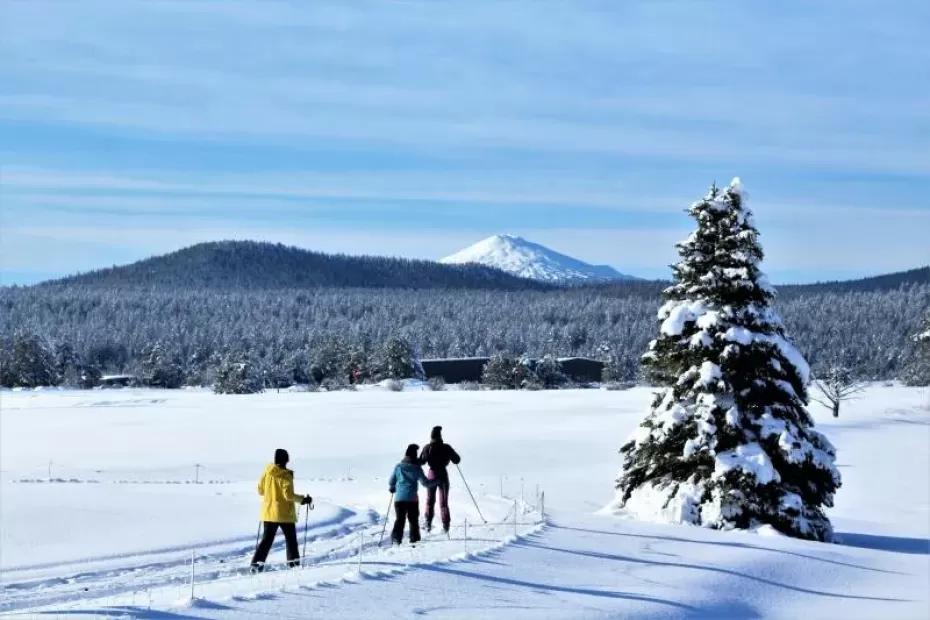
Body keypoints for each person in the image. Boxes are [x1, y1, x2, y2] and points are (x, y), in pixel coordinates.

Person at [250, 448, 313, 572]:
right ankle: (293, 566)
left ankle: (256, 566)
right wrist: (303, 500)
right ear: (285, 460)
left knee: (266, 541)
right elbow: (288, 496)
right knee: (291, 541)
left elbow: (260, 490)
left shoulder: (267, 471)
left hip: (268, 512)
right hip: (284, 514)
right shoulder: (286, 475)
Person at [388, 443, 437, 545]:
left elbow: (391, 481)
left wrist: (392, 487)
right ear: (415, 456)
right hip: (412, 499)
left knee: (400, 519)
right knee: (413, 520)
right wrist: (437, 481)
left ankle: (396, 539)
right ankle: (414, 540)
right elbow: (425, 483)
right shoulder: (417, 469)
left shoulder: (398, 467)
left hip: (399, 499)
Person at [418, 426, 461, 533]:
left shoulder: (427, 447)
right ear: (440, 436)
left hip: (431, 474)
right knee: (443, 502)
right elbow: (457, 460)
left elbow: (421, 461)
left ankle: (428, 523)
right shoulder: (446, 447)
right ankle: (446, 526)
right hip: (443, 474)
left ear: (431, 436)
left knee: (430, 500)